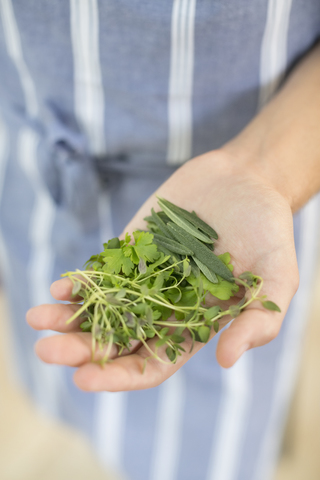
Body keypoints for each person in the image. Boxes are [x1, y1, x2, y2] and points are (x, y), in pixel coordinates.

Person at [1, 1, 320, 479]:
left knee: (195, 450)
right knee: (70, 374)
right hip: (46, 156)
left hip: (243, 171)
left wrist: (265, 171)